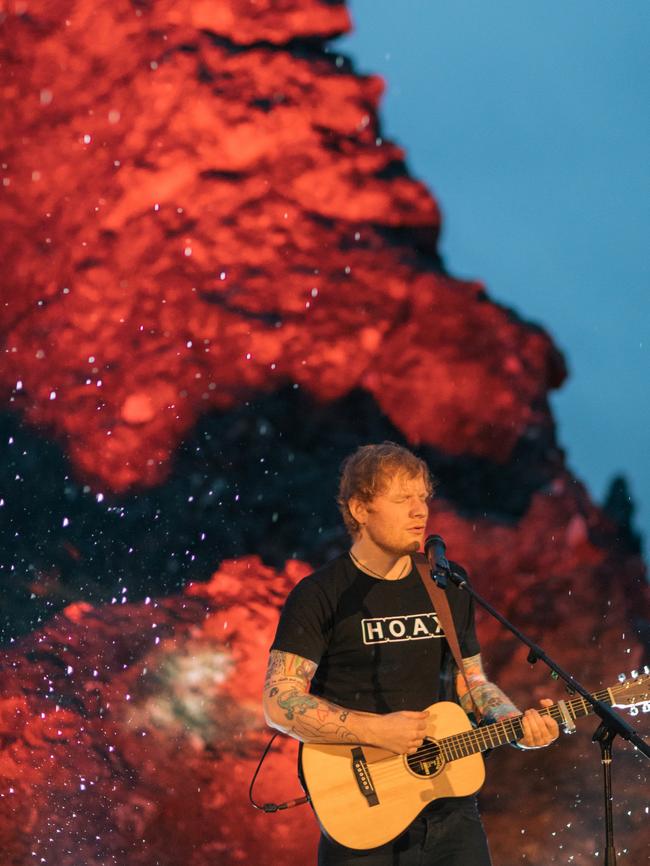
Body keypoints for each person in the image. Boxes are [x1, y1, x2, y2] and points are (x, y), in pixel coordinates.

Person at [263, 442, 558, 865]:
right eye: (403, 499)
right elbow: (279, 701)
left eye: (422, 498)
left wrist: (515, 723)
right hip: (361, 816)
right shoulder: (319, 594)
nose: (420, 511)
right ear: (360, 509)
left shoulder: (446, 585)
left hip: (451, 812)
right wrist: (375, 731)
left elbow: (471, 683)